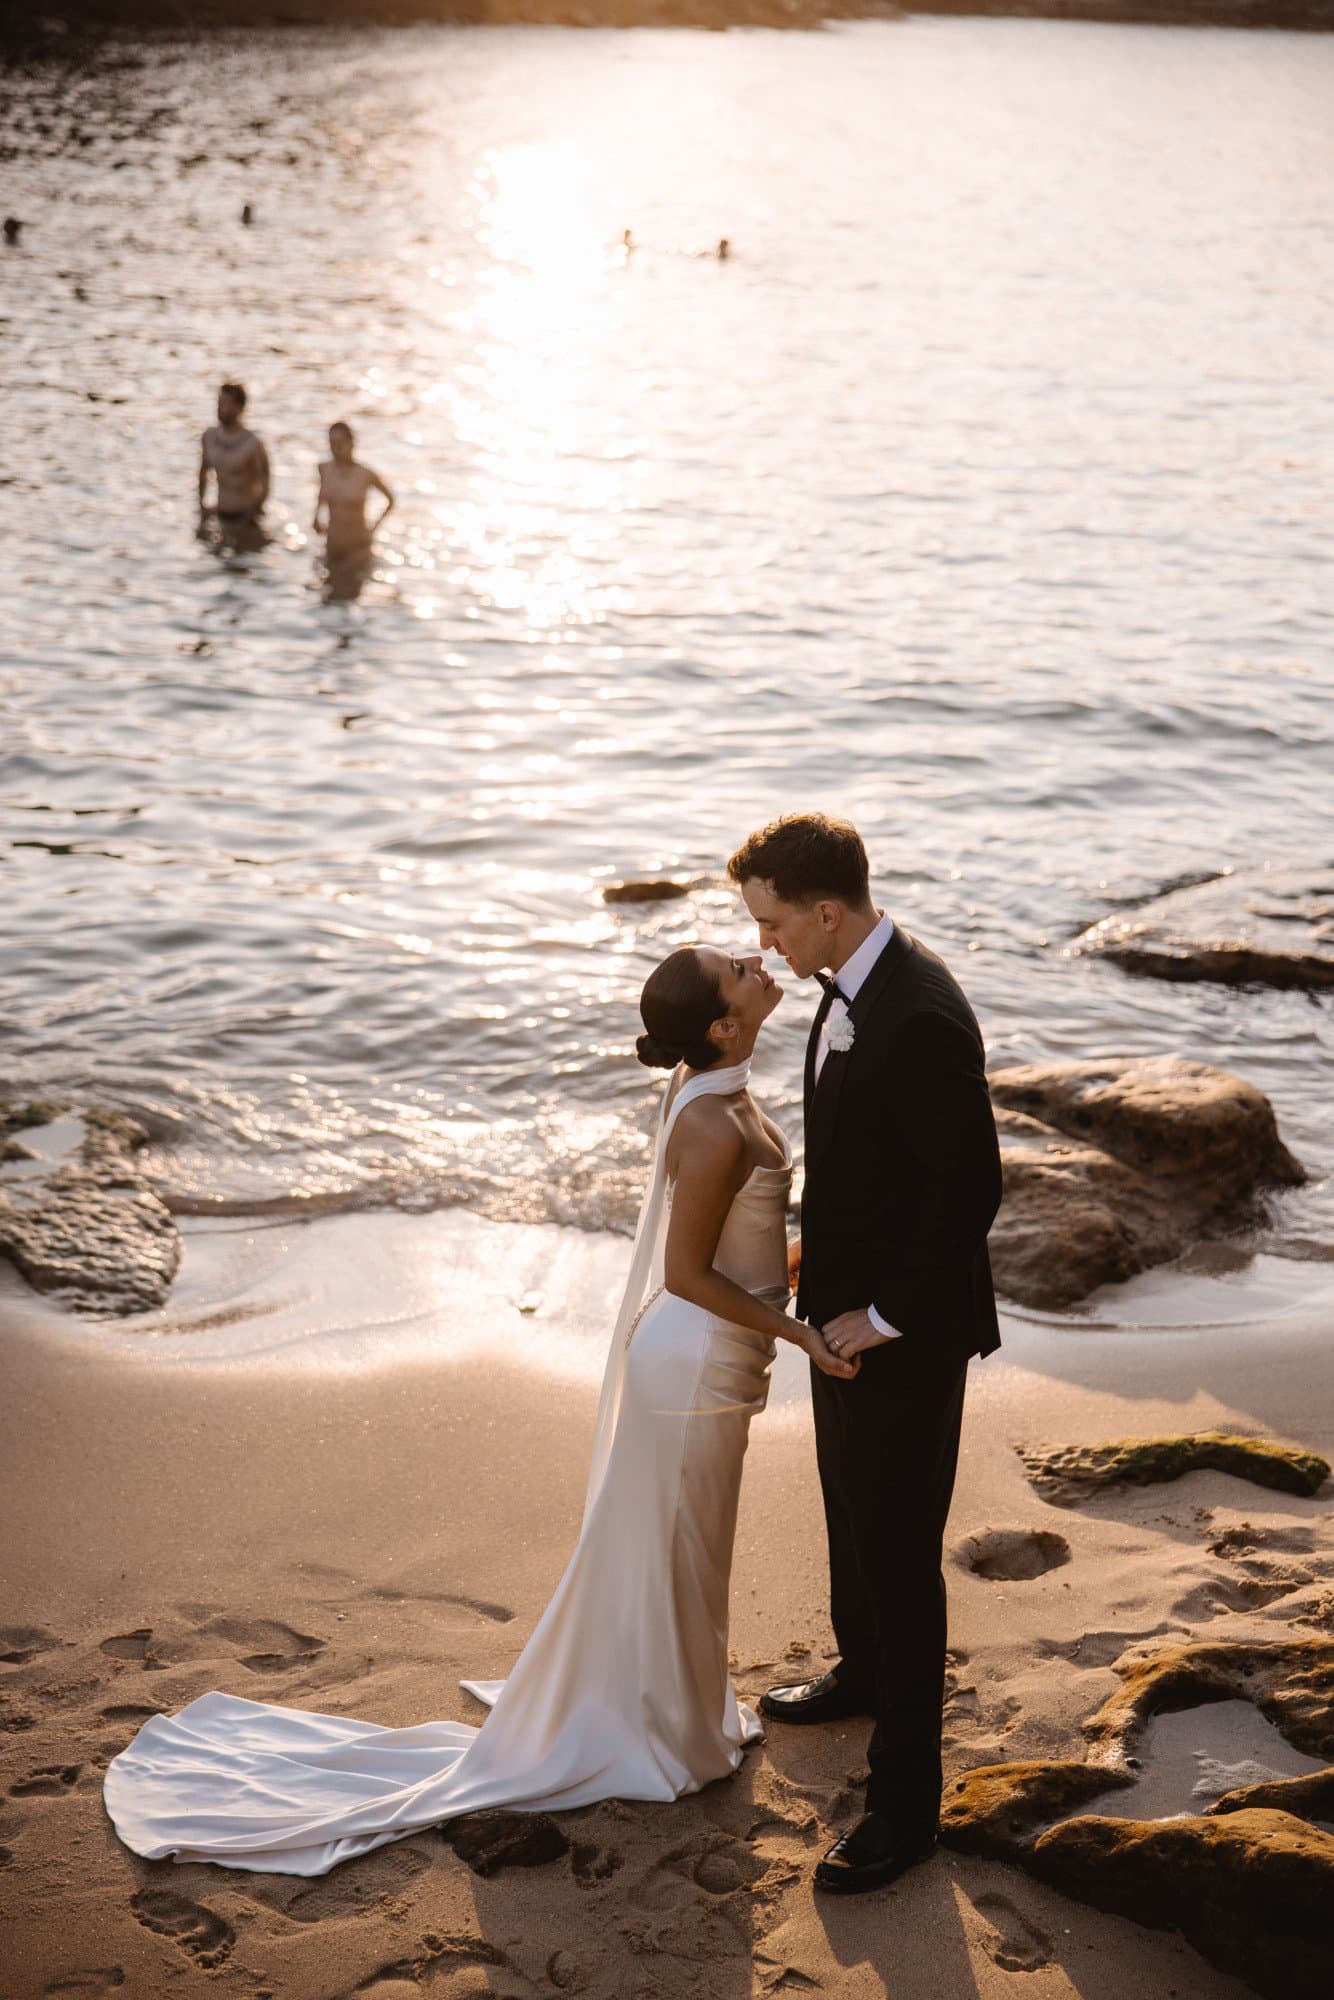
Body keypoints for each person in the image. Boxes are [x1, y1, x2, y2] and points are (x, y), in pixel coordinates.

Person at [102, 945, 854, 1876]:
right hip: (695, 1362)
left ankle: (675, 1712)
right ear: (723, 1026)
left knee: (685, 1547)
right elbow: (687, 1273)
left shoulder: (719, 1087)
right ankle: (660, 1725)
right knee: (678, 1543)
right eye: (734, 968)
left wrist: (801, 1276)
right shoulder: (708, 1119)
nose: (753, 957)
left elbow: (739, 1247)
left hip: (712, 1352)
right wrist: (801, 1333)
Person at [728, 811, 1003, 1897]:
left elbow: (969, 1189)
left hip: (903, 1329)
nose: (764, 945)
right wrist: (817, 1251)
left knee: (899, 1549)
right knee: (847, 1502)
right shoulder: (845, 986)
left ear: (828, 911)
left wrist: (884, 1315)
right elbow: (869, 1156)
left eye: (773, 922)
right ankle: (861, 1668)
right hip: (839, 1304)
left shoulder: (919, 1013)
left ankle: (904, 1809)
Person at [313, 421, 393, 583]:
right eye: (332, 443)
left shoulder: (365, 474)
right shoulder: (324, 469)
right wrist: (316, 517)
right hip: (333, 544)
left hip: (357, 547)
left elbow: (390, 500)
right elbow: (322, 494)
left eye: (340, 443)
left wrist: (374, 527)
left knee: (351, 590)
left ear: (351, 443)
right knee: (329, 590)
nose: (335, 448)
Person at [198, 384, 269, 540]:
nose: (220, 408)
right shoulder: (209, 437)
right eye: (219, 402)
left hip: (244, 518)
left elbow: (265, 483)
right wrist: (202, 505)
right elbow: (203, 473)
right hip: (220, 514)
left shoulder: (253, 444)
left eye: (226, 403)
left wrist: (253, 513)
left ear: (239, 407)